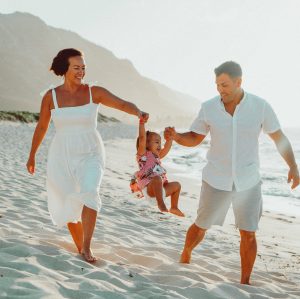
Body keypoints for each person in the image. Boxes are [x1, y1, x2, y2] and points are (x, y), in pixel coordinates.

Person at [165, 61, 299, 284]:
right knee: (201, 225)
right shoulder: (208, 107)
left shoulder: (260, 106)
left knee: (248, 232)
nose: (220, 90)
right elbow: (195, 137)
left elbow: (279, 138)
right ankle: (186, 252)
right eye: (217, 85)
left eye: (225, 84)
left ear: (239, 82)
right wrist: (177, 137)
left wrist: (293, 166)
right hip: (216, 178)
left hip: (248, 181)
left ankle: (245, 281)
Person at [26, 48, 148, 263]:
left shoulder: (94, 92)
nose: (81, 71)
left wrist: (137, 112)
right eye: (76, 67)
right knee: (68, 200)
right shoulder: (51, 96)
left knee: (90, 191)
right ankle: (79, 246)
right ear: (65, 69)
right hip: (62, 153)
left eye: (83, 67)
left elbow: (120, 103)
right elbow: (42, 126)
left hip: (91, 150)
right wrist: (32, 155)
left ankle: (87, 246)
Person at [134, 116, 184, 216]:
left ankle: (174, 207)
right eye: (157, 142)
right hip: (150, 190)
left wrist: (170, 139)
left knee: (177, 185)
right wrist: (142, 123)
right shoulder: (143, 154)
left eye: (160, 143)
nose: (159, 145)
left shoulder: (157, 156)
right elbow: (143, 138)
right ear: (146, 145)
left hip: (161, 191)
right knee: (157, 179)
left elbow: (166, 149)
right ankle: (161, 205)